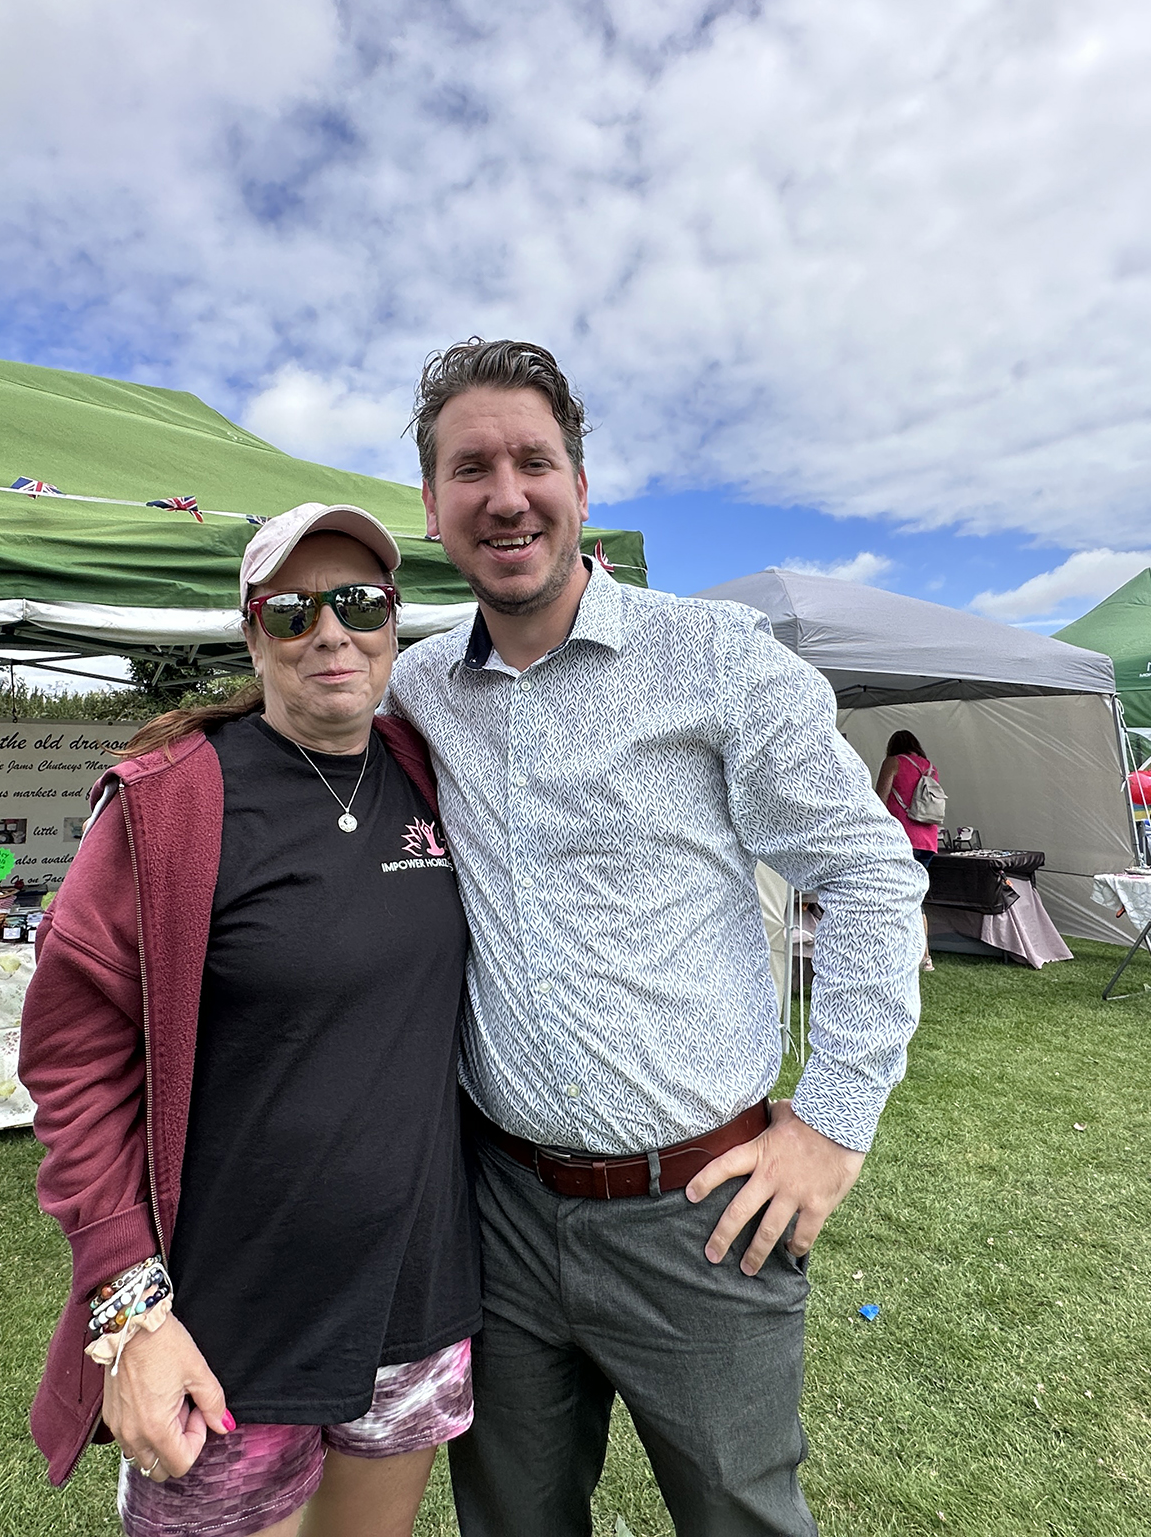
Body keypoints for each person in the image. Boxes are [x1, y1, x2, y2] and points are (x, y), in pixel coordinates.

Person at [385, 338, 924, 1537]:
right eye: (471, 469)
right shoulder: (417, 688)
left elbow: (869, 874)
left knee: (738, 1517)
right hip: (498, 1209)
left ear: (581, 486)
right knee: (511, 1520)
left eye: (534, 462)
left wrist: (834, 1122)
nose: (506, 495)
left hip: (702, 1211)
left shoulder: (713, 657)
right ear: (431, 505)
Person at [19, 503, 481, 1537]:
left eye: (359, 604)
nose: (332, 633)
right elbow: (71, 1065)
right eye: (292, 611)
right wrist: (131, 1310)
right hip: (229, 1318)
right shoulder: (171, 803)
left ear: (394, 622)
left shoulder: (428, 771)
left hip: (415, 1292)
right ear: (251, 633)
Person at [876, 730, 941, 972]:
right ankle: (925, 956)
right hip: (928, 841)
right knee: (916, 897)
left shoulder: (893, 762)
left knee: (893, 895)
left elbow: (879, 801)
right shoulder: (930, 768)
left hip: (901, 839)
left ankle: (901, 951)